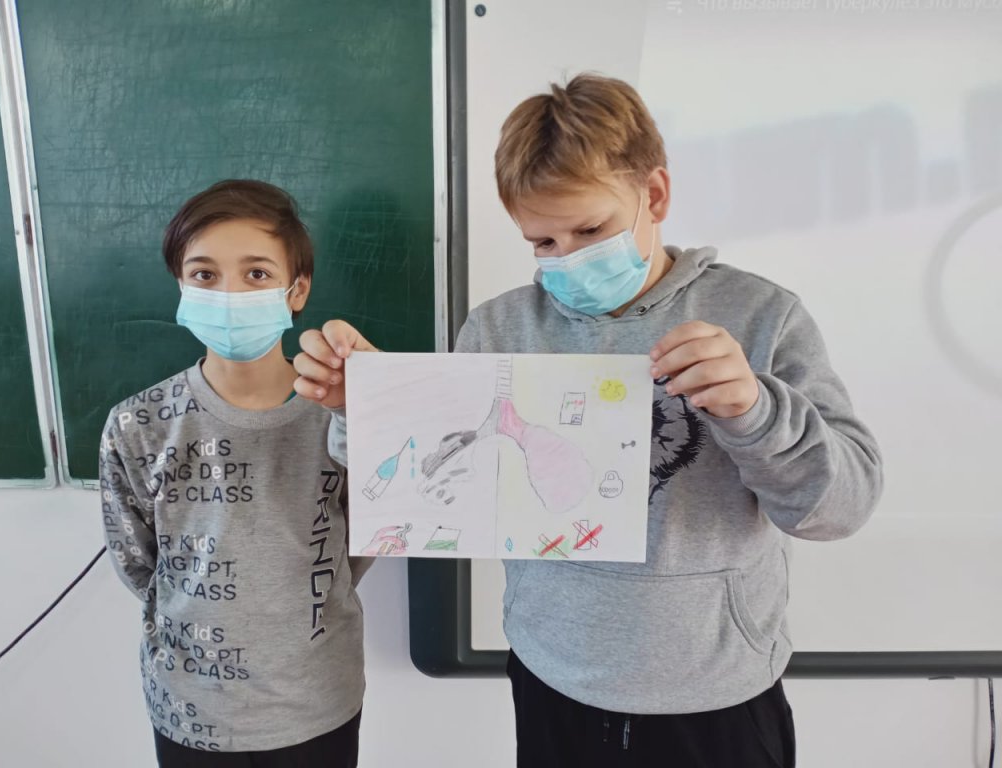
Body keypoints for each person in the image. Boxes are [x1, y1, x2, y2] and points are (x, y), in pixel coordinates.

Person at [293, 74, 883, 767]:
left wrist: (757, 410)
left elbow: (839, 509)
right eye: (542, 242)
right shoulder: (499, 328)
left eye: (592, 230)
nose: (568, 257)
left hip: (718, 693)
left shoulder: (760, 317)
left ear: (654, 195)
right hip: (554, 677)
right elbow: (439, 488)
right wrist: (365, 408)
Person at [100, 179, 367, 767]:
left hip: (317, 699)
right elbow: (139, 561)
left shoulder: (345, 411)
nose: (228, 295)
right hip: (191, 707)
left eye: (256, 274)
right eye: (204, 274)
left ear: (297, 289)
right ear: (180, 285)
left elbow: (366, 535)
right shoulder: (138, 424)